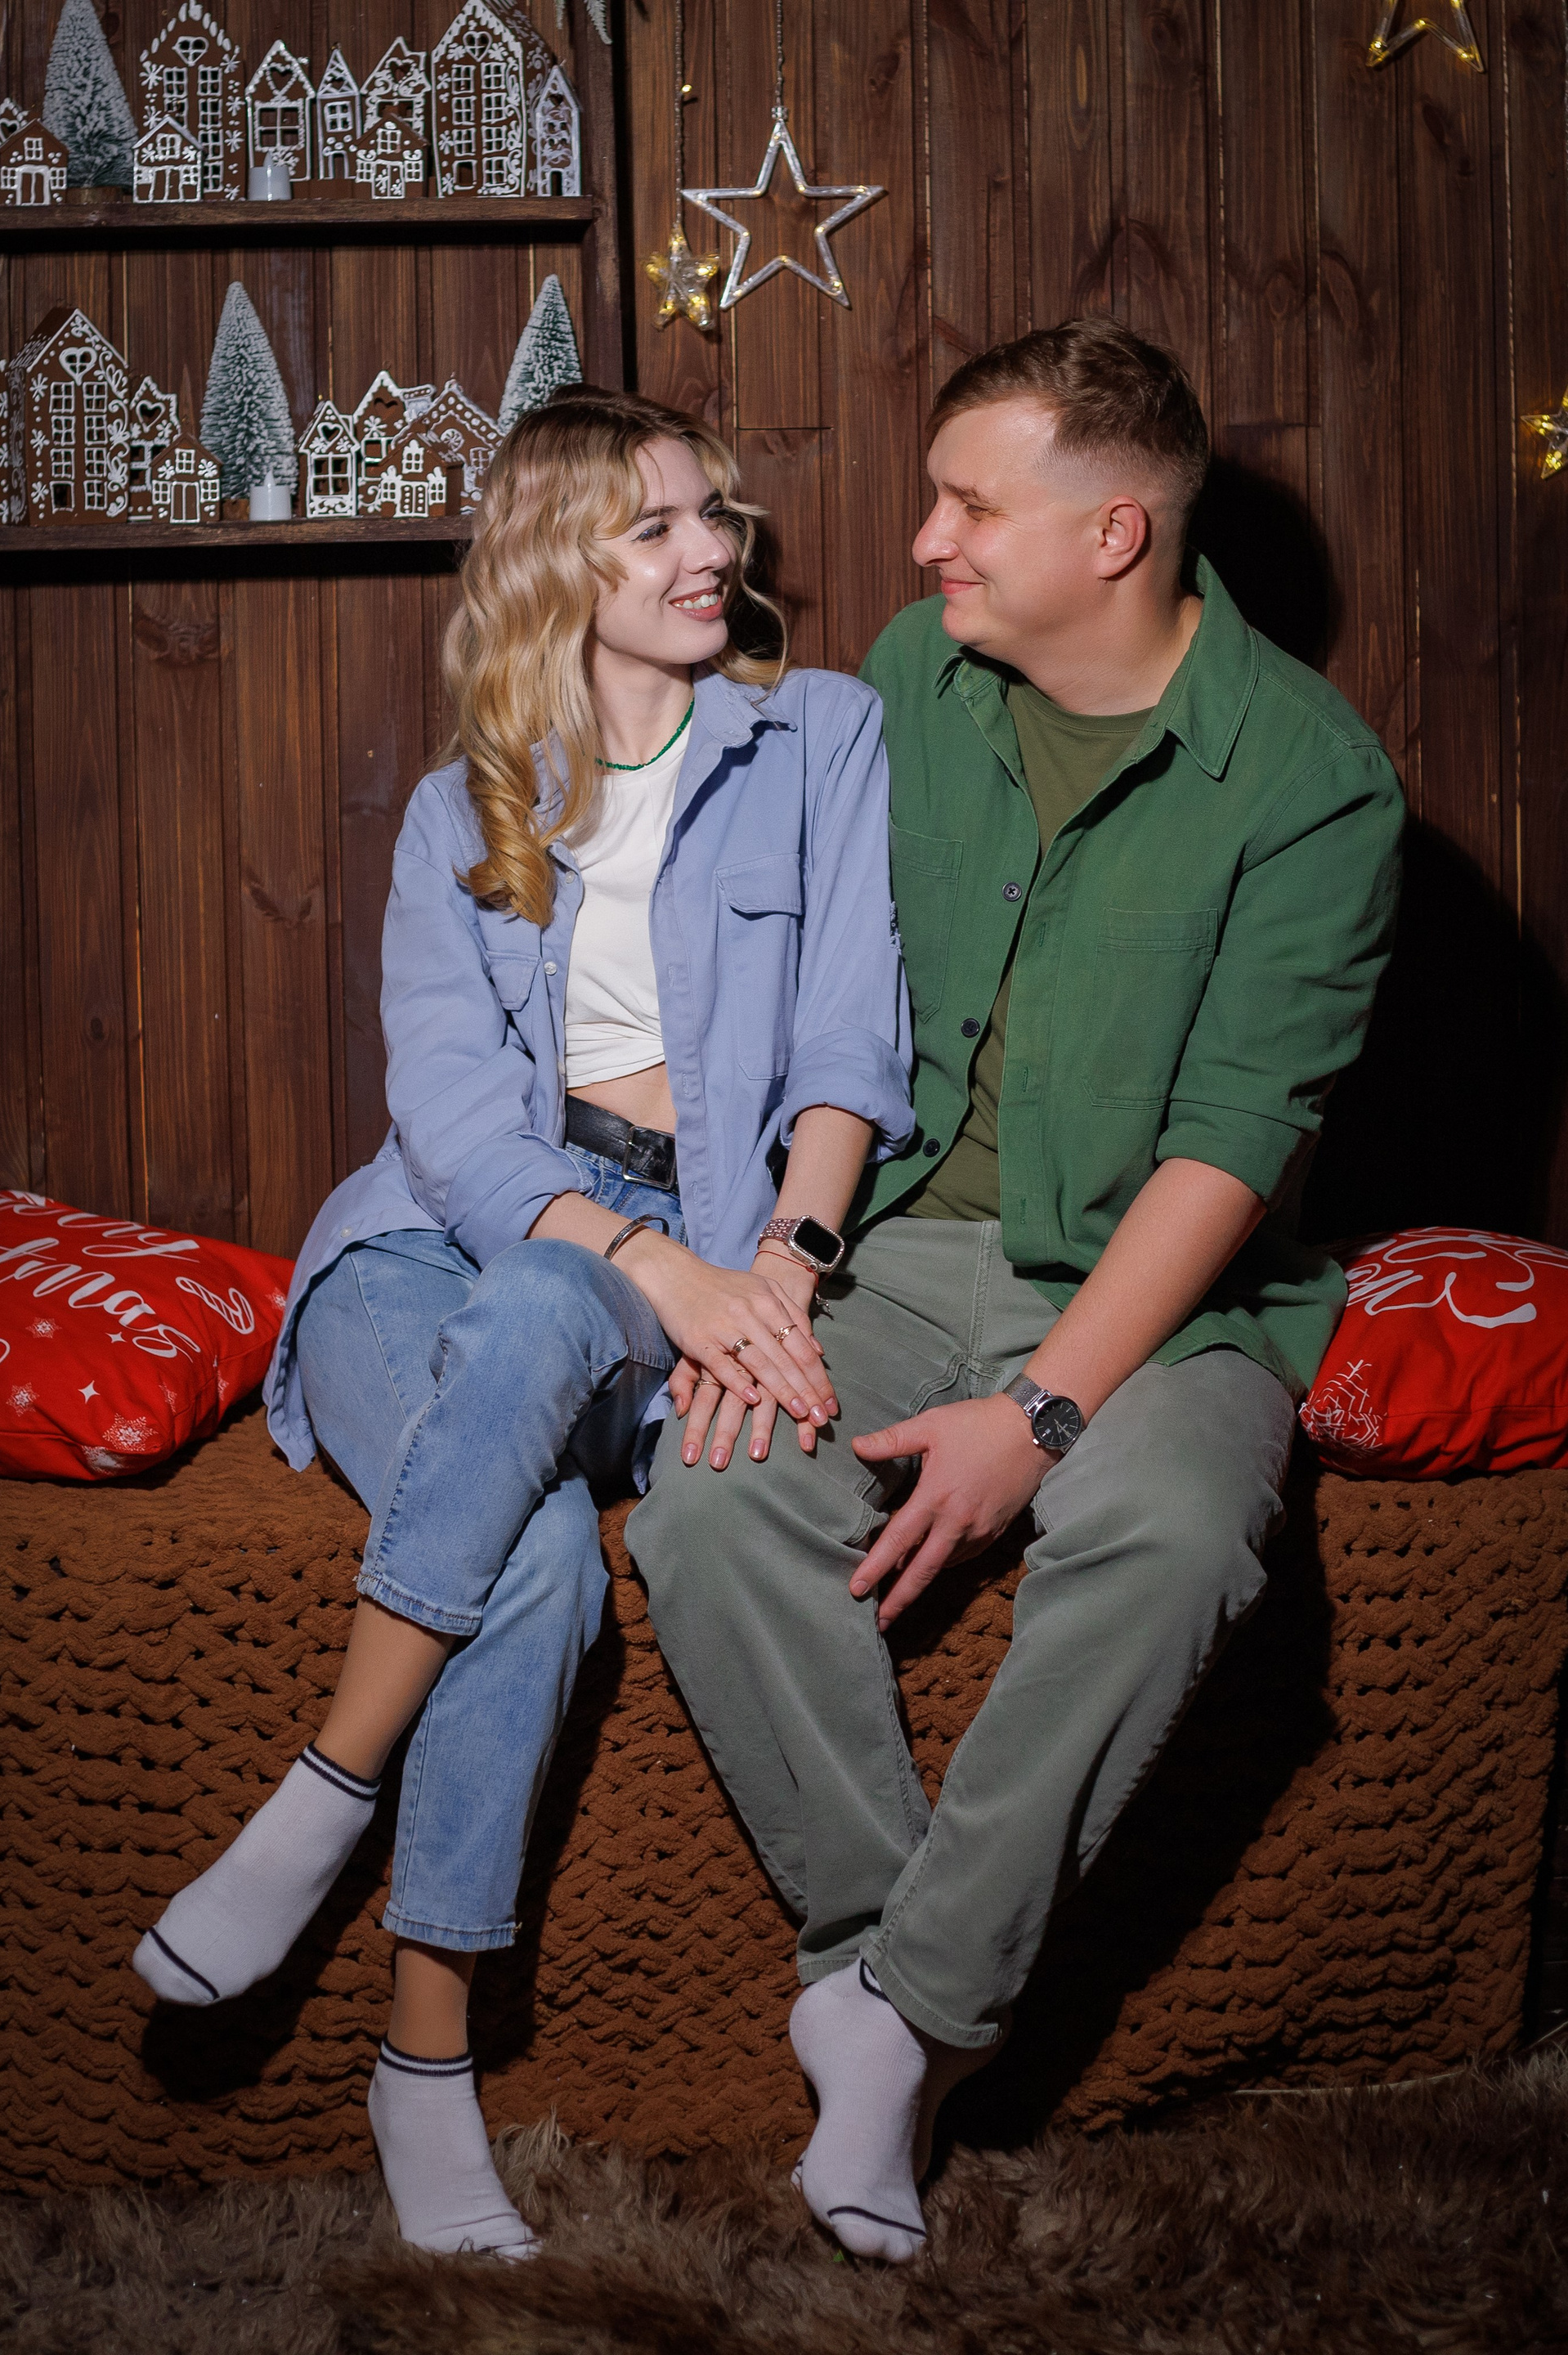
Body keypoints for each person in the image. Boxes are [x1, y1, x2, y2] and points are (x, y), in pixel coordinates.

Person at [627, 319, 1404, 2262]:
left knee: (1177, 1535)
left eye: (971, 506)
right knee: (707, 1496)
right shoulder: (917, 674)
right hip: (896, 1245)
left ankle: (910, 2020)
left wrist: (1046, 1412)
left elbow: (1232, 1146)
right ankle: (882, 1974)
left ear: (1114, 534)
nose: (925, 541)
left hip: (1168, 1293)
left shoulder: (1316, 781)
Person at [132, 388, 912, 2259]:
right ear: (559, 564)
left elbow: (849, 1043)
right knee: (546, 1557)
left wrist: (777, 1269)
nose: (710, 551)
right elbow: (462, 1135)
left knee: (569, 1350)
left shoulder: (822, 736)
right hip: (424, 1253)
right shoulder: (457, 813)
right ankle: (420, 2050)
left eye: (714, 514)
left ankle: (327, 1802)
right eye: (655, 528)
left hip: (693, 1242)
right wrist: (660, 1277)